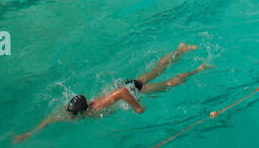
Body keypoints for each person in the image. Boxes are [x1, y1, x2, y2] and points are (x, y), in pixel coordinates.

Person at [13, 44, 206, 142]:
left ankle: (198, 69)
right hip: (127, 86)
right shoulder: (73, 111)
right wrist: (29, 133)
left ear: (81, 112)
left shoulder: (98, 106)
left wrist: (137, 108)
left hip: (130, 91)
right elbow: (49, 119)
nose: (69, 117)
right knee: (156, 71)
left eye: (72, 115)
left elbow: (121, 92)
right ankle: (180, 50)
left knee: (167, 83)